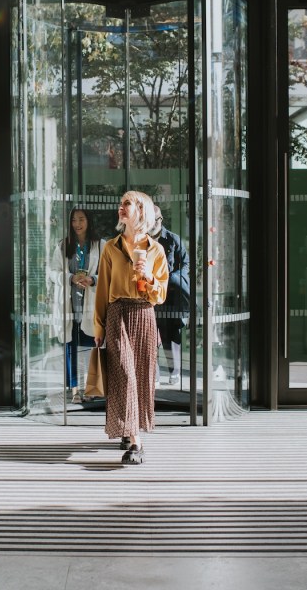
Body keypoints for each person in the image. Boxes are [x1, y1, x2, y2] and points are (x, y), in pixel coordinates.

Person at [94, 191, 169, 464]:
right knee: (124, 375)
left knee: (141, 377)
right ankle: (137, 443)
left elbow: (161, 295)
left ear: (141, 210)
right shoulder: (110, 247)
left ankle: (130, 429)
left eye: (127, 204)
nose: (121, 208)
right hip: (118, 314)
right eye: (121, 204)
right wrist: (99, 327)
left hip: (144, 314)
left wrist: (148, 276)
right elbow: (102, 290)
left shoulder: (156, 250)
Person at [49, 207, 104, 404]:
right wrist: (70, 278)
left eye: (81, 219)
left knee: (91, 346)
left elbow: (109, 273)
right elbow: (52, 272)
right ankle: (75, 390)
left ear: (88, 221)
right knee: (71, 347)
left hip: (91, 304)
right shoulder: (63, 245)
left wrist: (93, 279)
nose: (77, 224)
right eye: (73, 220)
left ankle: (91, 387)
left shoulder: (100, 245)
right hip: (69, 304)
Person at [150, 205, 190, 386]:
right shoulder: (142, 240)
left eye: (154, 220)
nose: (151, 224)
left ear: (160, 220)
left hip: (171, 294)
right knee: (151, 335)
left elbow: (186, 264)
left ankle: (175, 372)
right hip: (150, 293)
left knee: (172, 335)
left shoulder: (173, 239)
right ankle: (155, 374)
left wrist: (172, 278)